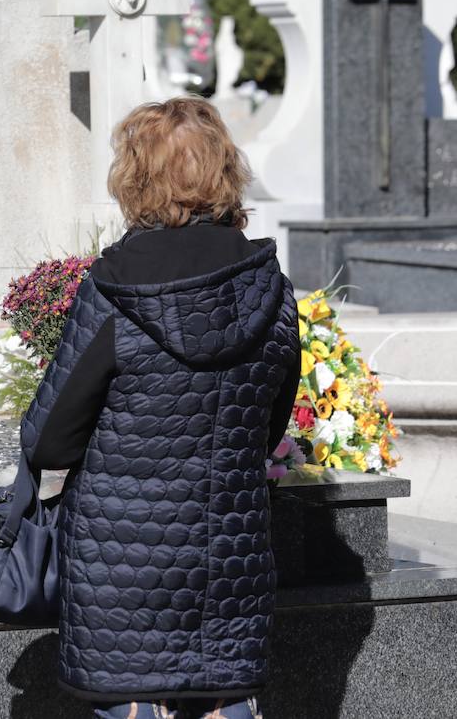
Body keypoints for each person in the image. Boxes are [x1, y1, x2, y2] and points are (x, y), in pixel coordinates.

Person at [21, 97, 300, 719]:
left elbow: (48, 440)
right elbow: (267, 430)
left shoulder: (114, 290)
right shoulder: (272, 290)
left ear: (135, 177)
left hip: (125, 580)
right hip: (230, 564)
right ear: (225, 171)